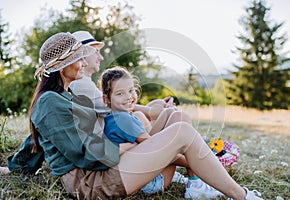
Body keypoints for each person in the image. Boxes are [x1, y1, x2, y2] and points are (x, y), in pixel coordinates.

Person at [25, 32, 263, 200]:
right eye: (76, 59)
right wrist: (134, 145)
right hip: (91, 182)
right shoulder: (49, 103)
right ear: (60, 68)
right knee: (181, 133)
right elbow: (87, 154)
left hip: (104, 165)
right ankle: (242, 196)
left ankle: (202, 183)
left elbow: (40, 141)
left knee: (178, 120)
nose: (82, 63)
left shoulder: (62, 96)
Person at [100, 66, 224, 198]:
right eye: (120, 93)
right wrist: (198, 162)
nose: (129, 97)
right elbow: (157, 151)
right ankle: (196, 184)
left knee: (170, 113)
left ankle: (193, 178)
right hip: (150, 183)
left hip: (140, 171)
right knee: (179, 126)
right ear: (106, 99)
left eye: (131, 90)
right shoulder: (123, 120)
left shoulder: (115, 116)